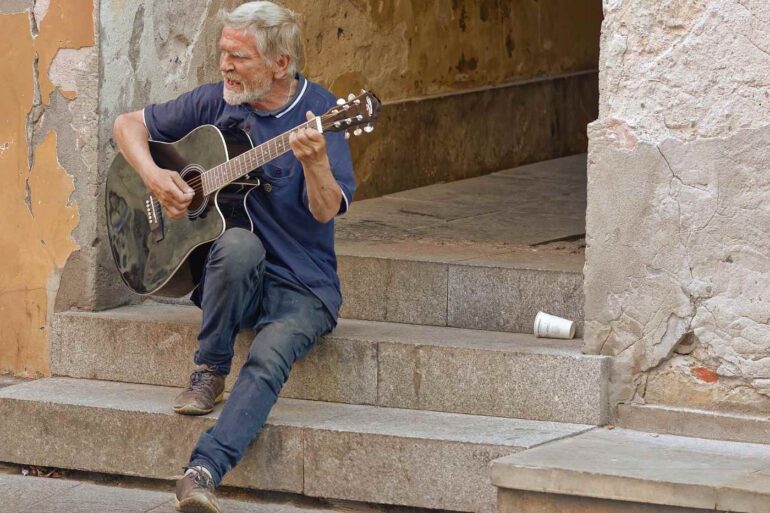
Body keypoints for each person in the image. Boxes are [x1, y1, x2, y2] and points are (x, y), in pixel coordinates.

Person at [112, 2, 356, 512]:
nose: (225, 65)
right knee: (239, 245)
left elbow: (326, 209)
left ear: (280, 64)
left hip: (303, 284)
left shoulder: (321, 111)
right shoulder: (215, 103)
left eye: (239, 57)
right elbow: (127, 125)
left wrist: (314, 164)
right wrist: (157, 179)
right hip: (235, 279)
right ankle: (211, 367)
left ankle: (202, 471)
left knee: (268, 357)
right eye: (222, 52)